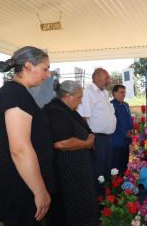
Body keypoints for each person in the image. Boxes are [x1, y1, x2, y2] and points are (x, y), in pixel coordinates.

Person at [0, 46, 55, 225]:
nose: (48, 74)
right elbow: (19, 149)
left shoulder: (20, 93)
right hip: (19, 183)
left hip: (24, 182)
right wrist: (40, 191)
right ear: (28, 65)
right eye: (45, 68)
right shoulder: (13, 94)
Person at [43, 80, 98, 225]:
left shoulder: (67, 109)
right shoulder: (55, 111)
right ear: (68, 95)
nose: (81, 101)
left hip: (77, 169)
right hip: (66, 172)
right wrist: (87, 143)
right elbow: (62, 142)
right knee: (70, 208)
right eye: (79, 97)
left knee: (82, 204)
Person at [77, 68, 116, 197]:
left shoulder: (104, 93)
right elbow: (83, 118)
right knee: (97, 170)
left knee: (107, 168)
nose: (109, 81)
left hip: (108, 138)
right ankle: (97, 200)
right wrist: (90, 139)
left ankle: (107, 198)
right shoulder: (88, 92)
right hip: (97, 138)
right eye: (107, 78)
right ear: (97, 78)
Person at [110, 85, 135, 175]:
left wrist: (133, 129)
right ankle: (116, 185)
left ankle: (124, 183)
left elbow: (130, 119)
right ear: (114, 93)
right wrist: (124, 133)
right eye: (121, 92)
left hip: (126, 140)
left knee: (125, 164)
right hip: (117, 140)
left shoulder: (125, 104)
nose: (124, 94)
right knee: (116, 165)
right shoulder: (111, 105)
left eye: (124, 92)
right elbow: (113, 122)